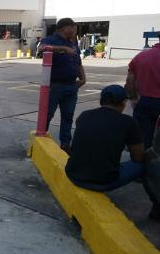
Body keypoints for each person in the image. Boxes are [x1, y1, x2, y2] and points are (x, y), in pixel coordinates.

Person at [65, 85, 159, 219]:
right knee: (147, 163)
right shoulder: (129, 122)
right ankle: (157, 207)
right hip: (103, 181)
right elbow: (138, 157)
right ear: (122, 103)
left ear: (101, 101)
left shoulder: (84, 115)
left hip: (73, 174)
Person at [39, 18, 87, 153]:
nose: (75, 31)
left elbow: (78, 62)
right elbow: (42, 49)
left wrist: (83, 78)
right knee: (47, 114)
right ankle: (42, 139)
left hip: (72, 86)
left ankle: (65, 144)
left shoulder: (73, 43)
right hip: (55, 86)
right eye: (74, 28)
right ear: (66, 28)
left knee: (68, 115)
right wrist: (63, 49)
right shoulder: (52, 40)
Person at [125, 34, 160, 149]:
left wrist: (133, 98)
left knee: (143, 137)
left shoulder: (141, 57)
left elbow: (130, 80)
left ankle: (142, 162)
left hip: (145, 101)